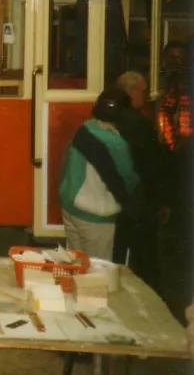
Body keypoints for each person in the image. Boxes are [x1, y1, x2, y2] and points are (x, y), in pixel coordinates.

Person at [58, 89, 140, 260]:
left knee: (76, 269)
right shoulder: (116, 143)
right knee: (98, 275)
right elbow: (128, 181)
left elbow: (64, 163)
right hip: (95, 217)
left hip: (70, 209)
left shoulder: (84, 129)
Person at [112, 72, 171, 291]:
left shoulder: (113, 118)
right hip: (141, 202)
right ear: (131, 91)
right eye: (144, 91)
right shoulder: (141, 124)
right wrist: (162, 201)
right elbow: (153, 166)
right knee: (147, 259)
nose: (146, 96)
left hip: (121, 201)